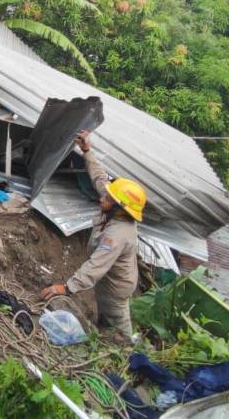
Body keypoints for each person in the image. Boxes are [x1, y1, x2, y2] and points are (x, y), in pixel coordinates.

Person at [39, 130, 147, 341]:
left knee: (117, 321)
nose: (102, 198)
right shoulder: (113, 205)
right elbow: (99, 177)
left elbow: (96, 266)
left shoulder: (117, 235)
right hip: (109, 278)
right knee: (104, 315)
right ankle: (104, 332)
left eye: (108, 198)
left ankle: (126, 351)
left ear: (120, 208)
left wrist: (67, 288)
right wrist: (87, 151)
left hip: (116, 285)